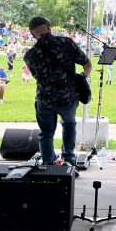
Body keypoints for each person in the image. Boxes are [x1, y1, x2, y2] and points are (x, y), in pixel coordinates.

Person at [24, 17, 91, 169]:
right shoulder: (66, 43)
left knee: (46, 133)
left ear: (33, 35)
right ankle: (68, 159)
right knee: (69, 125)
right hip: (68, 97)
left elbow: (36, 76)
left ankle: (48, 164)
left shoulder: (30, 55)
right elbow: (87, 63)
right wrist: (83, 78)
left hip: (44, 99)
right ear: (49, 26)